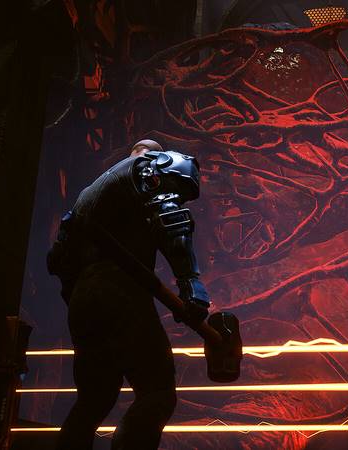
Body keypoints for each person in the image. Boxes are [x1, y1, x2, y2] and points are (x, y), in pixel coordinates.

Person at [47, 139, 211, 449]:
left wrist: (84, 302)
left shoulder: (87, 195)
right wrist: (191, 285)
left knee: (94, 400)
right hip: (121, 288)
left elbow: (58, 261)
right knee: (157, 393)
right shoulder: (153, 166)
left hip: (83, 299)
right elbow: (171, 219)